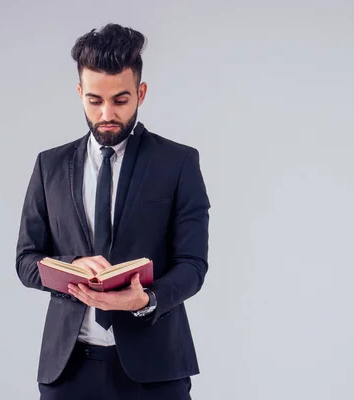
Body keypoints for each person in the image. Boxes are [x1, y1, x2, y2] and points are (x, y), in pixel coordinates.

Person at [15, 23, 210, 400]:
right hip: (68, 368)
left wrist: (147, 300)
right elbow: (26, 259)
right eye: (94, 101)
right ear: (79, 94)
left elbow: (192, 264)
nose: (107, 113)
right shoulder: (49, 166)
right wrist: (73, 265)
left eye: (120, 101)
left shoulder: (179, 162)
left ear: (141, 93)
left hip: (155, 370)